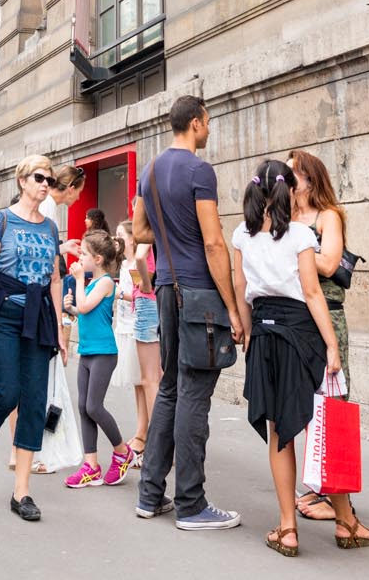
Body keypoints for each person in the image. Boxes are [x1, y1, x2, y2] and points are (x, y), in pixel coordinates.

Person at [234, 158, 369, 556]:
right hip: (302, 331)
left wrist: (246, 333)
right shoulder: (299, 235)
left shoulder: (241, 236)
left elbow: (240, 286)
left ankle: (287, 528)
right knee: (327, 423)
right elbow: (314, 294)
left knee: (280, 432)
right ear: (285, 189)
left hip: (263, 332)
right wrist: (331, 345)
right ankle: (346, 522)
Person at [129, 95, 243, 531]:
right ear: (195, 123)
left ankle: (150, 494)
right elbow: (214, 243)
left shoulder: (150, 170)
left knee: (173, 389)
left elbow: (139, 230)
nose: (209, 129)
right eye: (207, 123)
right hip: (198, 293)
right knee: (195, 393)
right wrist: (232, 307)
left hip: (164, 289)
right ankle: (191, 504)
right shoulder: (199, 171)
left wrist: (169, 234)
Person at [0, 155, 64, 521]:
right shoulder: (0, 220)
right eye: (39, 177)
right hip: (4, 313)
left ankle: (21, 492)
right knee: (6, 392)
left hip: (39, 318)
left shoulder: (51, 228)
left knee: (34, 399)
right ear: (22, 180)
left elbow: (54, 280)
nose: (45, 185)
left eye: (49, 180)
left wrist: (62, 332)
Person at [288, 149, 349, 524]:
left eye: (293, 172)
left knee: (334, 403)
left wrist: (294, 256)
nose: (287, 178)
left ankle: (338, 498)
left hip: (327, 312)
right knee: (306, 406)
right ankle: (317, 487)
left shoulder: (328, 217)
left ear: (310, 178)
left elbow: (328, 263)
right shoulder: (288, 217)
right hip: (297, 317)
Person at [63, 228, 133, 489]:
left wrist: (78, 282)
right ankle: (90, 465)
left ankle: (122, 451)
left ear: (99, 260)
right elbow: (82, 311)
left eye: (84, 254)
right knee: (83, 407)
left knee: (94, 406)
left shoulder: (104, 282)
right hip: (88, 351)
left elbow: (84, 307)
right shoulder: (93, 283)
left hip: (104, 352)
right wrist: (69, 305)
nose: (80, 258)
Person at [114, 216, 158, 465]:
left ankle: (152, 439)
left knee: (148, 381)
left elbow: (143, 288)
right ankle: (143, 434)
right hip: (132, 319)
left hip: (141, 316)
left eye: (121, 234)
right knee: (141, 383)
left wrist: (122, 293)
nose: (116, 238)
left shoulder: (144, 250)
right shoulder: (126, 261)